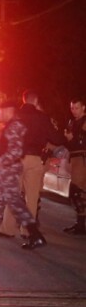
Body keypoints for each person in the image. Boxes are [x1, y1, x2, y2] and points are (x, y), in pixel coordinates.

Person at [0, 100, 47, 249]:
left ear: (9, 111)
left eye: (1, 110)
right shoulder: (11, 125)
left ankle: (35, 235)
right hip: (7, 169)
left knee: (15, 203)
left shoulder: (15, 126)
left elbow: (16, 151)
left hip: (10, 169)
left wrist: (0, 161)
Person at [0, 90, 64, 238]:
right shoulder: (43, 118)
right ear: (36, 101)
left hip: (17, 159)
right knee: (32, 197)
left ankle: (8, 229)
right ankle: (27, 231)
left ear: (24, 100)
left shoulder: (16, 116)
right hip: (35, 159)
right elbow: (56, 139)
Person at [63, 98, 86, 235]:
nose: (74, 111)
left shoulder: (84, 122)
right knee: (79, 193)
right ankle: (80, 223)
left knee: (76, 191)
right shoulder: (72, 122)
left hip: (82, 158)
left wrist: (73, 138)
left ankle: (81, 224)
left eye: (76, 108)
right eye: (72, 108)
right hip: (75, 158)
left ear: (84, 107)